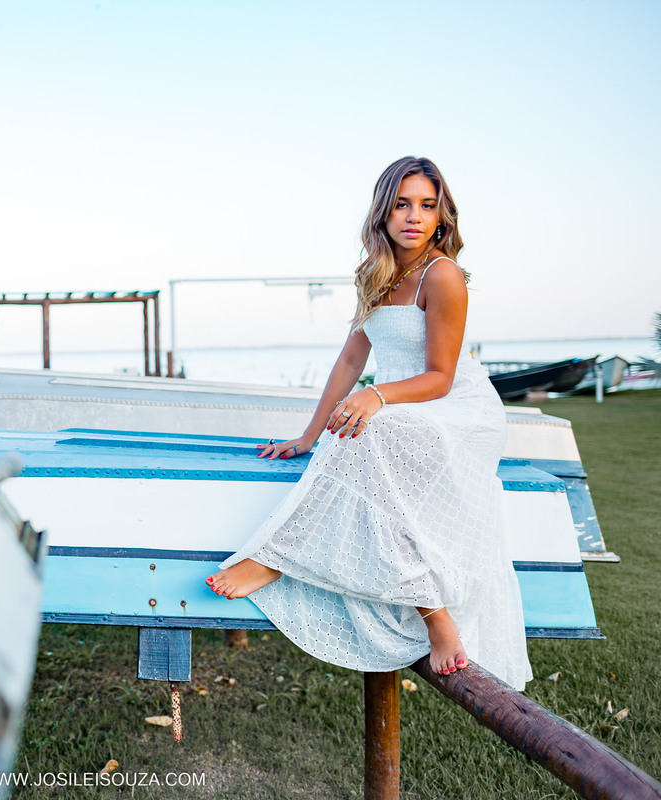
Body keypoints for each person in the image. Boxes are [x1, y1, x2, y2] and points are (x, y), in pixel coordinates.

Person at [206, 156, 532, 690]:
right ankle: (435, 616)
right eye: (402, 204)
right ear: (382, 212)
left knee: (367, 432)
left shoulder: (441, 275)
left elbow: (442, 378)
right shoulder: (376, 274)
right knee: (350, 436)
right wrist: (309, 435)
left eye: (427, 205)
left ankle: (274, 560)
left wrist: (377, 398)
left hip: (451, 409)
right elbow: (350, 362)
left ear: (442, 216)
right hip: (398, 402)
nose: (414, 216)